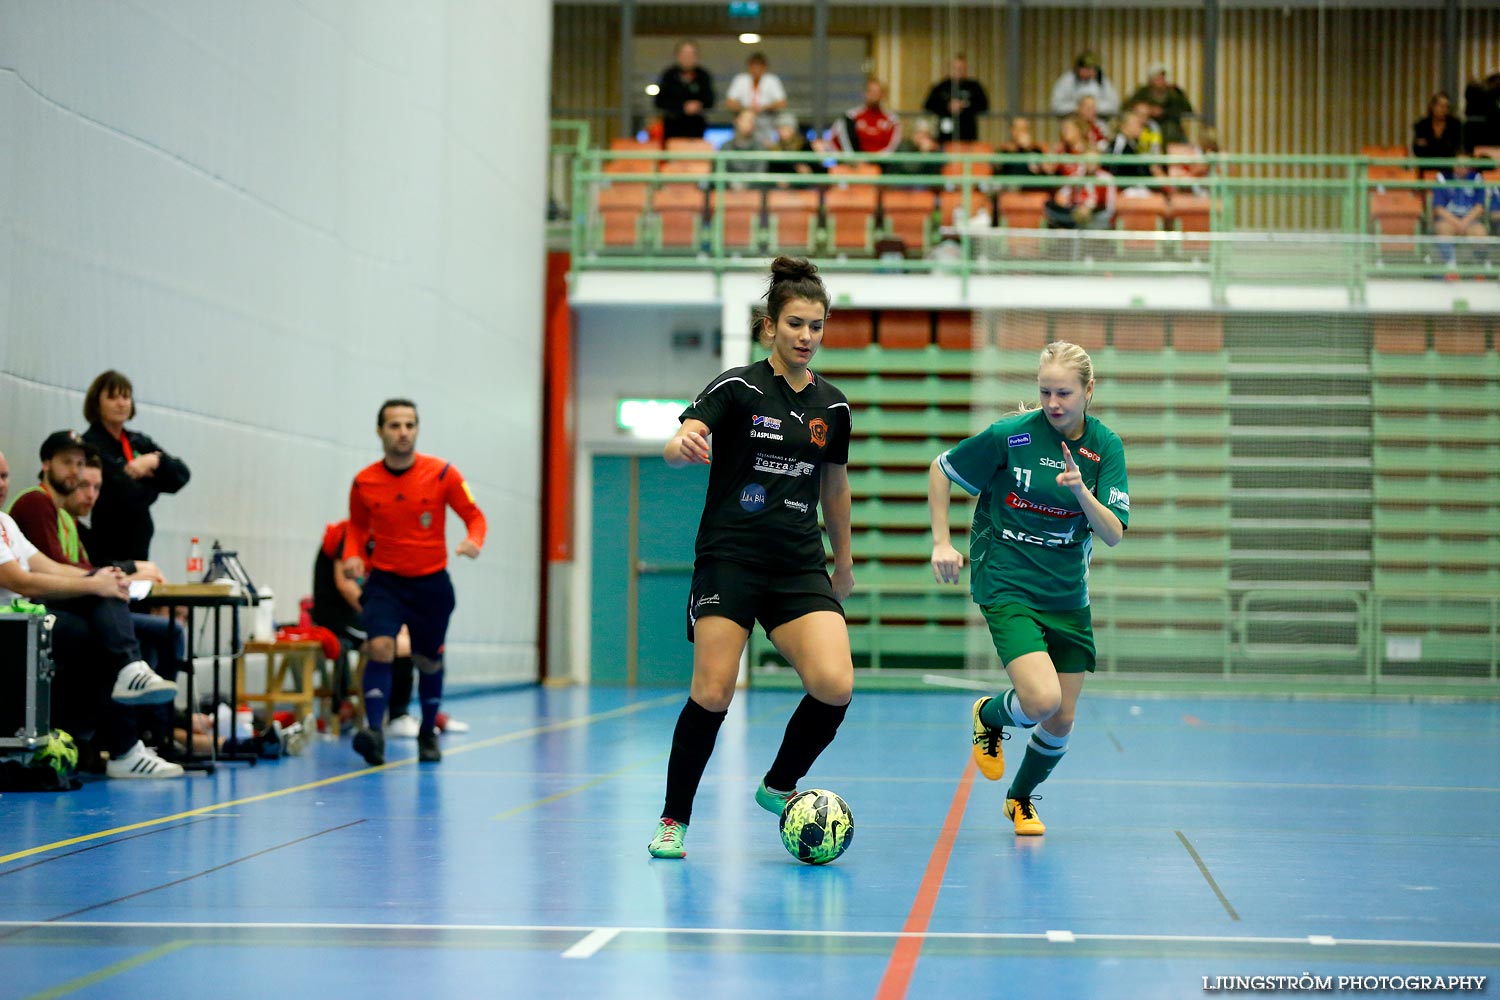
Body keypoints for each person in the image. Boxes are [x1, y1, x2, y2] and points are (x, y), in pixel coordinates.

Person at [648, 256, 855, 859]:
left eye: (816, 326)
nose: (807, 337)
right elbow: (678, 438)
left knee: (835, 684)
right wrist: (680, 444)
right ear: (770, 326)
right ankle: (673, 819)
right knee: (712, 692)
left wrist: (842, 561)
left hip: (797, 565)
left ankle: (779, 785)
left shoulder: (834, 407)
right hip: (730, 560)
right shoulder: (736, 388)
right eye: (795, 324)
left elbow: (835, 487)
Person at [927, 341, 1129, 836]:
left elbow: (1113, 533)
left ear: (1088, 391)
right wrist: (941, 541)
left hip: (1067, 597)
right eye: (1045, 392)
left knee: (1062, 718)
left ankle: (1019, 800)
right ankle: (991, 714)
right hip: (1008, 583)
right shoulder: (1010, 436)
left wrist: (1081, 491)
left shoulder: (1106, 448)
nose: (1054, 403)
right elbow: (941, 468)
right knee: (1040, 701)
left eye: (1064, 392)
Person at [0, 448, 182, 779]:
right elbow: (22, 581)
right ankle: (123, 741)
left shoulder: (6, 523)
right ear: (46, 466)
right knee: (96, 620)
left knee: (104, 592)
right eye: (68, 463)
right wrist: (97, 583)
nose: (2, 484)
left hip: (28, 618)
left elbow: (51, 566)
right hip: (10, 626)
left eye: (4, 476)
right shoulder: (35, 505)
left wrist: (103, 579)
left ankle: (131, 695)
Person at [342, 399, 486, 766]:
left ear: (417, 429)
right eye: (394, 425)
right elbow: (357, 527)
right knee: (379, 647)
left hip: (430, 584)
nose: (403, 432)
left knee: (428, 659)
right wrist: (352, 554)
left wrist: (474, 541)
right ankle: (375, 732)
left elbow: (474, 515)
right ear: (380, 431)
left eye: (409, 425)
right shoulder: (364, 481)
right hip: (385, 582)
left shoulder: (442, 474)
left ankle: (427, 733)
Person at [313, 519, 467, 738]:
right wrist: (377, 615)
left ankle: (428, 711)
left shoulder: (384, 541)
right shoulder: (349, 535)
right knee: (399, 643)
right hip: (338, 617)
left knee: (420, 638)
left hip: (362, 613)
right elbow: (345, 585)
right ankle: (396, 716)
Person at [80, 370, 190, 565]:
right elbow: (124, 492)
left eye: (126, 397)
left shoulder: (138, 442)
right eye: (113, 397)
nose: (121, 403)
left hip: (140, 542)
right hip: (107, 541)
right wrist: (154, 485)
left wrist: (154, 462)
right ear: (97, 403)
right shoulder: (91, 444)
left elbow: (181, 475)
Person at [1431, 153, 1490, 269]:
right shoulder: (1442, 178)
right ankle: (1450, 266)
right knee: (1442, 229)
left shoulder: (1476, 178)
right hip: (1448, 220)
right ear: (1453, 165)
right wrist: (1456, 222)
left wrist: (1465, 222)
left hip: (1469, 221)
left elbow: (1479, 207)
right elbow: (1438, 208)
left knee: (1480, 232)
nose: (1463, 168)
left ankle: (1481, 267)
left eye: (1466, 165)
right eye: (1459, 164)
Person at [922, 54, 991, 145]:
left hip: (968, 136)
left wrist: (965, 106)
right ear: (950, 69)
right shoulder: (940, 87)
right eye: (955, 68)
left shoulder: (974, 86)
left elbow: (984, 105)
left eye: (961, 68)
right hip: (945, 137)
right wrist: (948, 106)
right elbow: (928, 105)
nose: (958, 71)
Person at [654, 40, 715, 141]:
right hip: (673, 126)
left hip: (696, 127)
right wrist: (682, 107)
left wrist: (697, 105)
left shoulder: (703, 76)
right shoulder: (669, 75)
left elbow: (710, 100)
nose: (688, 57)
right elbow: (659, 102)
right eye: (685, 54)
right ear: (678, 56)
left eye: (691, 54)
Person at [724, 51, 787, 146]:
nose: (756, 69)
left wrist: (763, 107)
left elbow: (782, 103)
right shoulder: (740, 79)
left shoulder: (772, 80)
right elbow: (730, 103)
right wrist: (746, 109)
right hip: (745, 116)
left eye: (759, 66)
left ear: (765, 67)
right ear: (749, 67)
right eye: (753, 66)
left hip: (766, 118)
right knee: (745, 119)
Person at [1124, 64, 1193, 146]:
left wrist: (1164, 112)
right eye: (1157, 78)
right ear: (1150, 80)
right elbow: (1127, 107)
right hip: (1147, 128)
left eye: (1162, 78)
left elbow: (1187, 109)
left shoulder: (1174, 92)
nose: (1160, 81)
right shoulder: (1142, 92)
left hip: (1170, 128)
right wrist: (1147, 110)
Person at [830, 78, 902, 155]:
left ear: (883, 94)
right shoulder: (850, 117)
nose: (874, 95)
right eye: (871, 91)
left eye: (877, 92)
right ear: (865, 93)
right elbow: (835, 140)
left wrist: (874, 160)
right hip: (853, 162)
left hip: (881, 163)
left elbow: (892, 147)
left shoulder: (892, 120)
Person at [1050, 51, 1119, 119]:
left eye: (1093, 69)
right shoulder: (1067, 80)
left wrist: (1093, 107)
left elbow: (1114, 105)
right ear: (1078, 69)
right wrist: (1078, 108)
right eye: (1087, 69)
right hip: (1072, 122)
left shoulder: (1102, 80)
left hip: (1098, 122)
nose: (1090, 72)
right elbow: (1056, 106)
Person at [1412, 91, 1463, 173]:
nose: (1444, 109)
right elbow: (1418, 150)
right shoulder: (1422, 125)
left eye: (1446, 107)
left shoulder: (1455, 124)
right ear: (1432, 106)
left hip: (1448, 167)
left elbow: (1454, 149)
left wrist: (1429, 144)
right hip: (1426, 167)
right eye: (1441, 106)